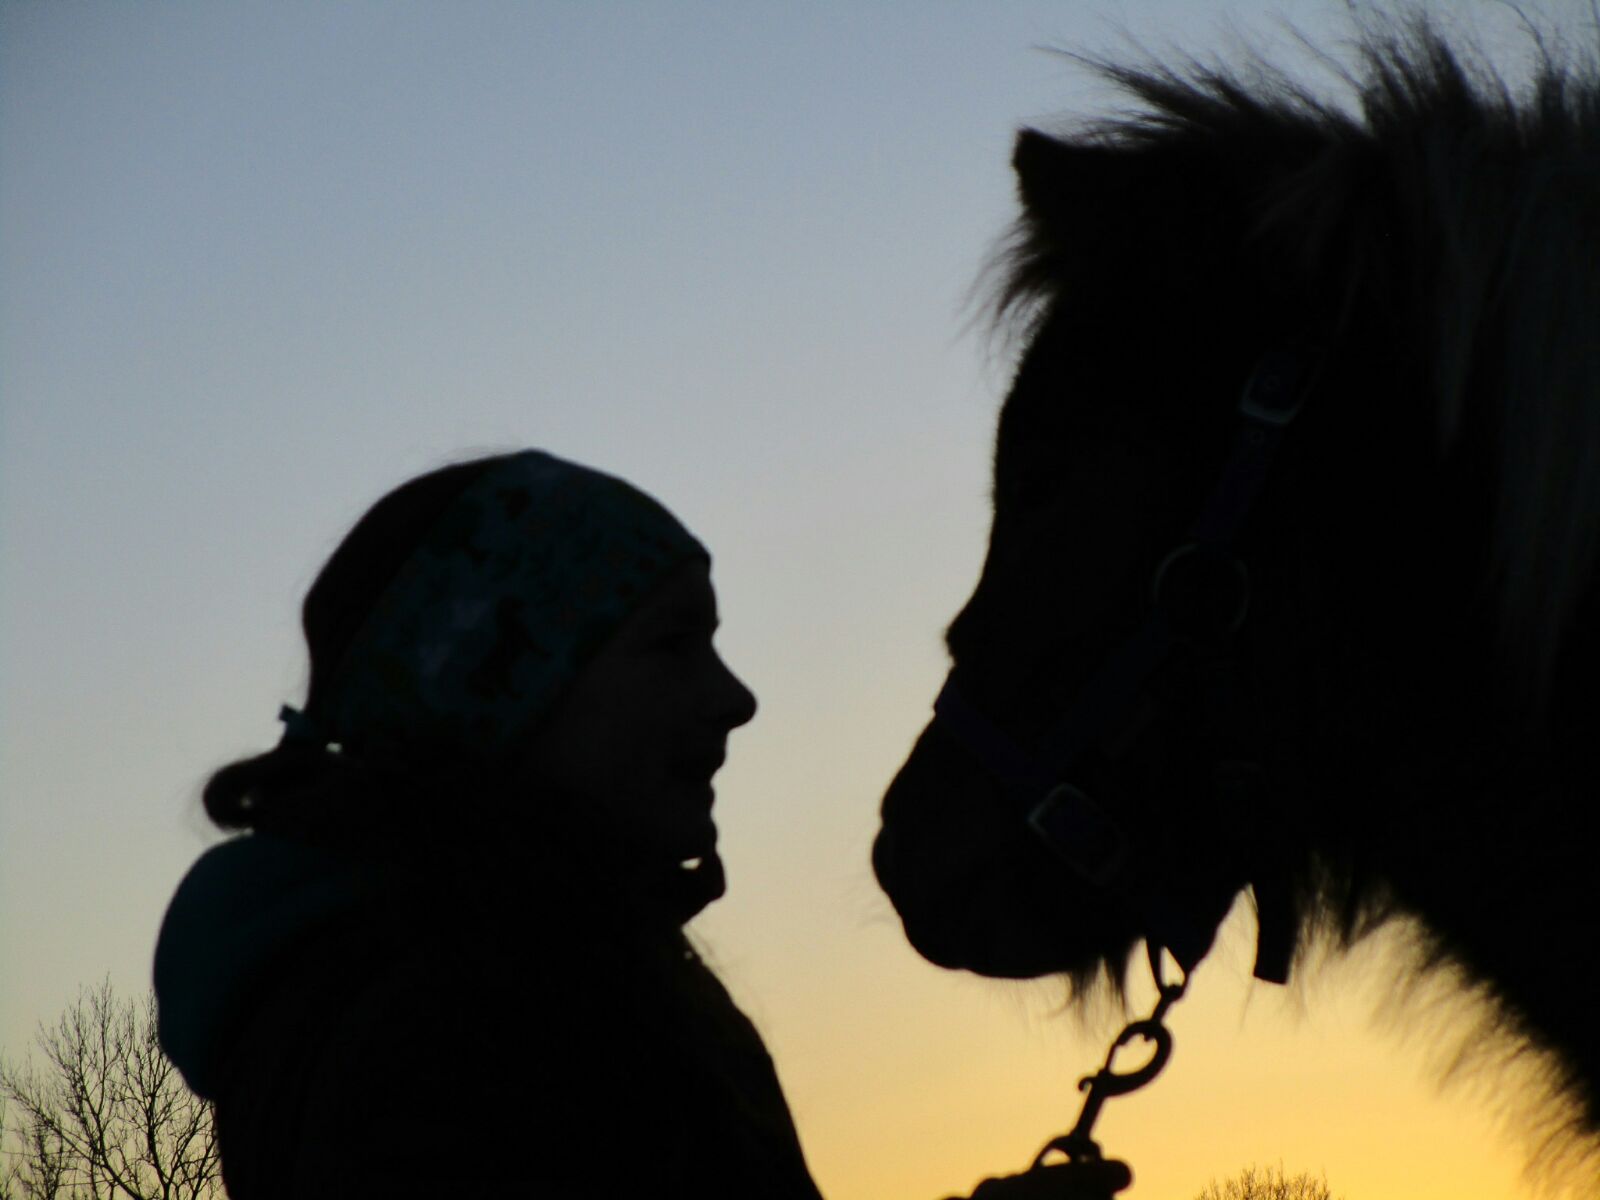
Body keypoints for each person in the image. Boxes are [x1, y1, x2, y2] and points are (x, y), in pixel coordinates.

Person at [153, 448, 1132, 1199]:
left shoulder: (543, 964)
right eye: (673, 644)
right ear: (500, 691)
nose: (736, 699)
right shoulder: (444, 1032)